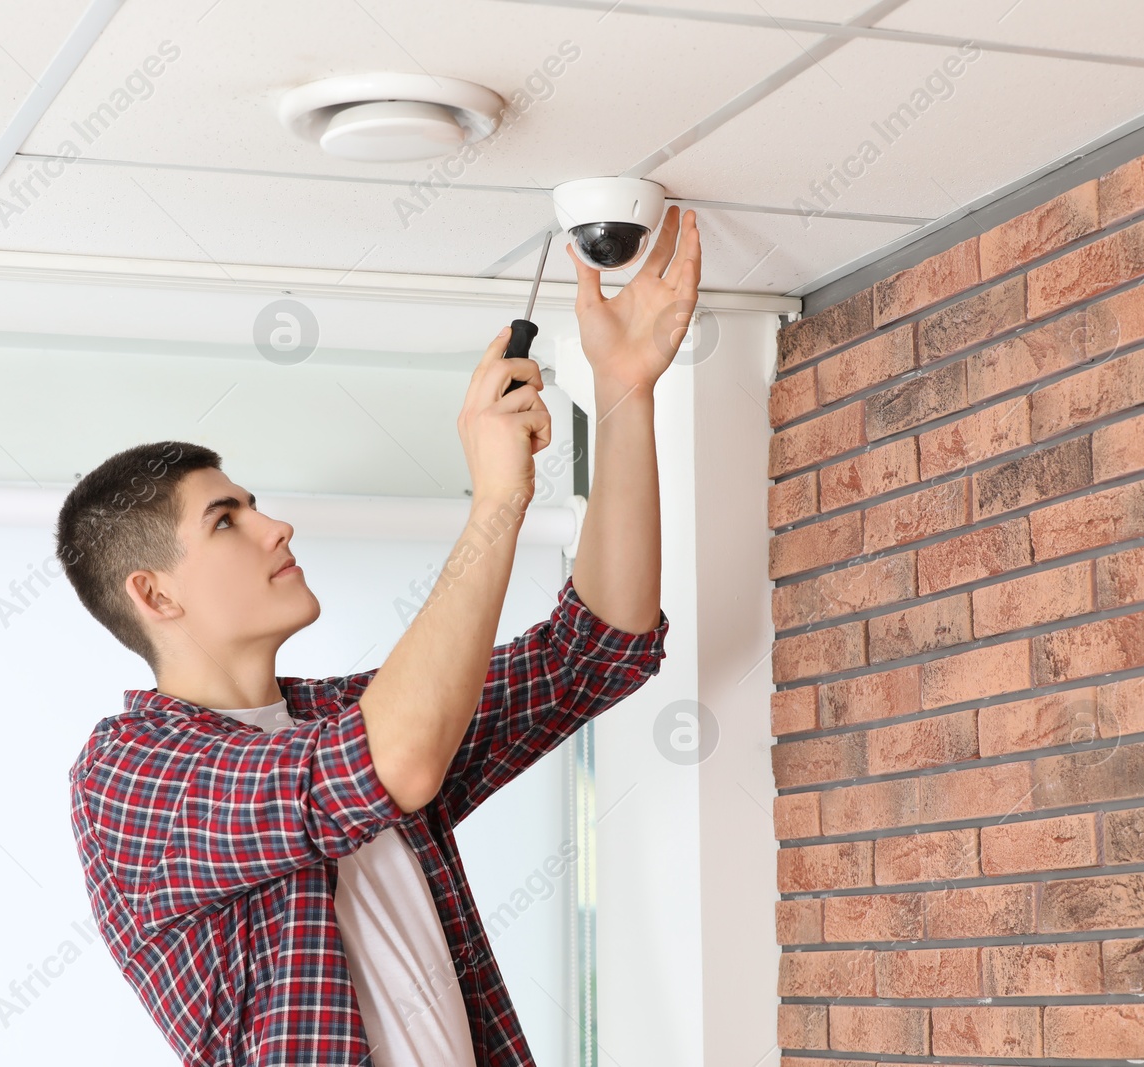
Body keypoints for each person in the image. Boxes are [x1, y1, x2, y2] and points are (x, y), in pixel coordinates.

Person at [55, 207, 702, 1066]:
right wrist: (497, 502)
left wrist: (624, 391)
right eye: (226, 520)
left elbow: (594, 650)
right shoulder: (130, 776)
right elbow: (382, 764)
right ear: (153, 593)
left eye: (253, 504)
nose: (275, 527)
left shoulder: (344, 717)